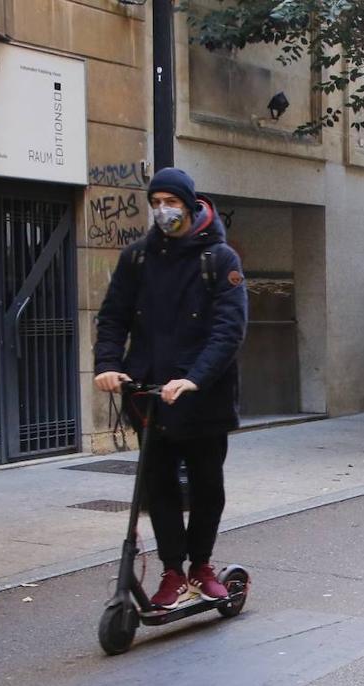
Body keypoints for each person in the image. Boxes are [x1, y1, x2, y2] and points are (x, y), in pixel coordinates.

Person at [94, 167, 248, 609]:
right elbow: (112, 317)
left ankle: (201, 565)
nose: (163, 210)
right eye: (156, 201)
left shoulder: (219, 259)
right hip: (149, 398)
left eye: (171, 202)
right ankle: (172, 573)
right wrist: (108, 364)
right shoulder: (137, 258)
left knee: (205, 487)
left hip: (202, 398)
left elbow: (229, 330)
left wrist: (195, 378)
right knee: (158, 488)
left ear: (189, 203)